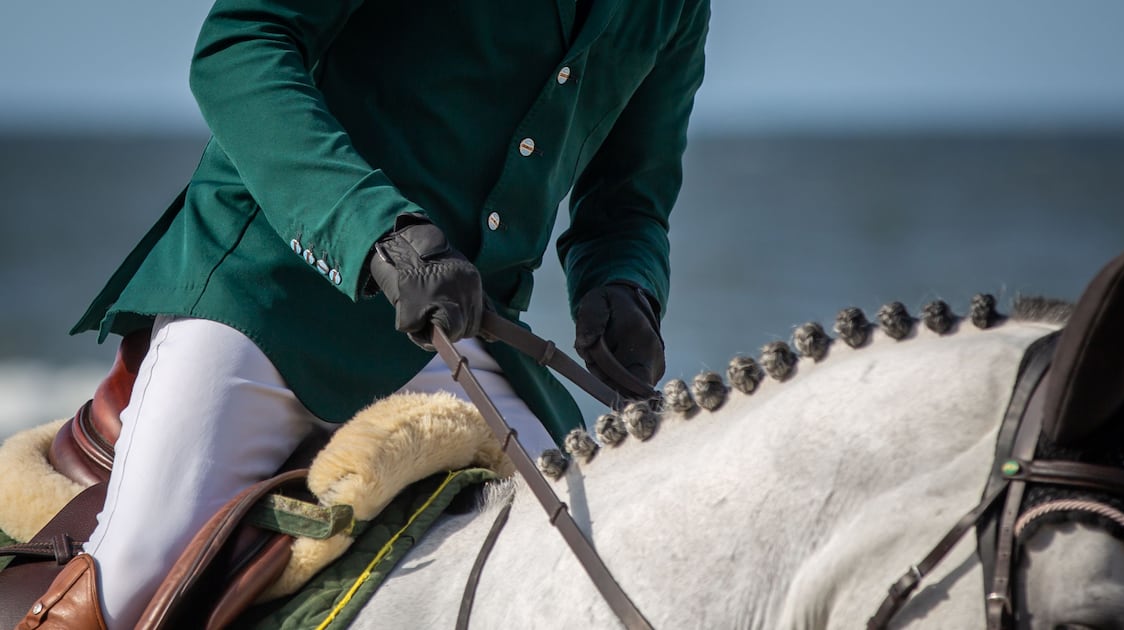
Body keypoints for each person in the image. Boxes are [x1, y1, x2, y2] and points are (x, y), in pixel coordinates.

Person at [21, 0, 709, 627]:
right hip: (266, 298)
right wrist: (373, 229)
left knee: (594, 562)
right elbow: (240, 45)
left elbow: (628, 199)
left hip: (453, 334)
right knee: (134, 575)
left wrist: (626, 286)